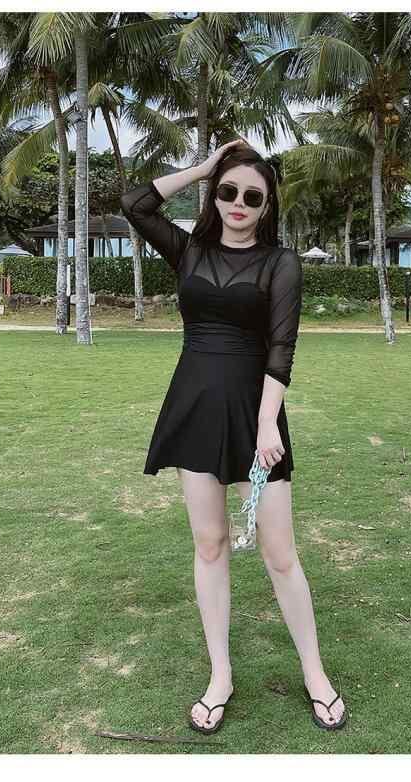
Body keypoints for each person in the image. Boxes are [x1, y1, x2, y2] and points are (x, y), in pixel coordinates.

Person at [120, 140, 347, 734]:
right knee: (210, 544)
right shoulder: (189, 251)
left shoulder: (280, 263)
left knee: (279, 553)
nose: (238, 202)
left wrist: (268, 422)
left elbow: (282, 348)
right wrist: (202, 168)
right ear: (215, 195)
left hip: (256, 412)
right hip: (195, 406)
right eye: (228, 191)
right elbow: (136, 204)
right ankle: (220, 674)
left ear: (267, 206)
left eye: (252, 195)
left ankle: (315, 673)